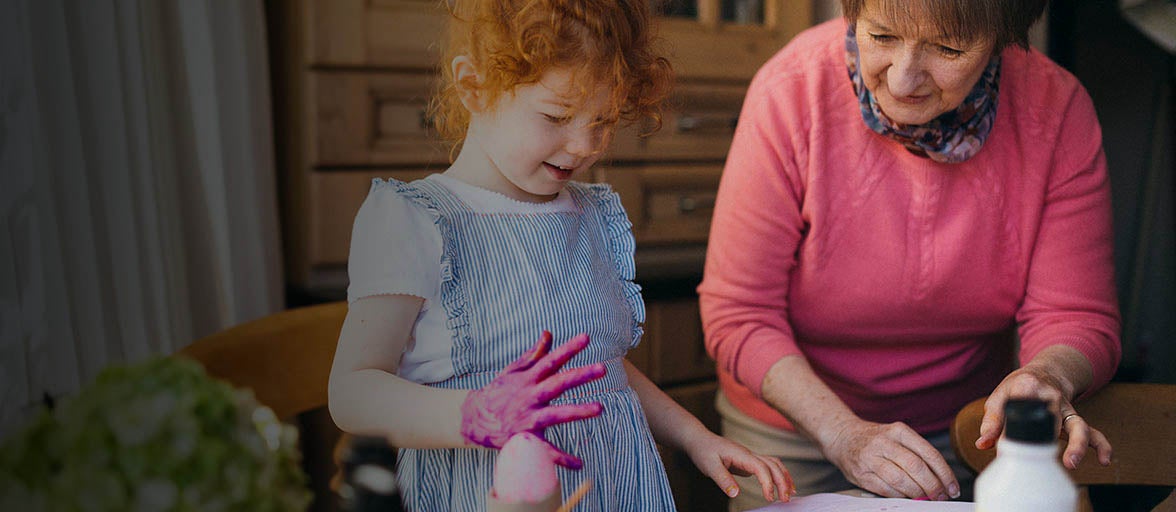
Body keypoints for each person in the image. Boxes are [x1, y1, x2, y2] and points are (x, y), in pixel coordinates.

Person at [327, 1, 795, 510]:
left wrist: (695, 437)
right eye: (557, 116)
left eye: (603, 121)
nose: (582, 146)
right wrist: (472, 413)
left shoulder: (592, 214)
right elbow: (351, 393)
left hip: (612, 487)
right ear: (474, 86)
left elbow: (602, 365)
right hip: (481, 490)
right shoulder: (414, 219)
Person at [697, 0, 1121, 509]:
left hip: (970, 435)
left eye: (948, 48)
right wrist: (843, 434)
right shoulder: (791, 89)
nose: (902, 80)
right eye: (881, 37)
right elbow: (739, 313)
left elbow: (1075, 315)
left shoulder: (1055, 109)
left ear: (1001, 38)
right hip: (793, 437)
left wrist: (1048, 375)